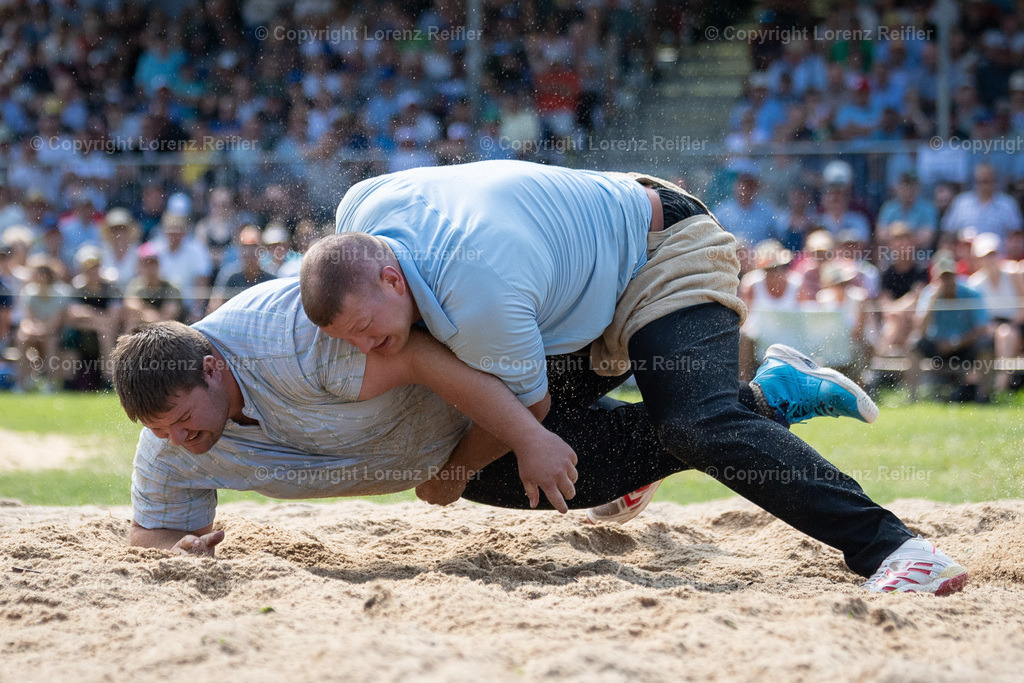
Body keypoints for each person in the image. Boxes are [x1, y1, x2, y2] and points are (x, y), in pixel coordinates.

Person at [301, 160, 967, 594]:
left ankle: (894, 547)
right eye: (349, 339)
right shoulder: (361, 209)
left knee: (692, 422)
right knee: (481, 447)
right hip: (576, 287)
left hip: (664, 249)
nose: (366, 347)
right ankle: (645, 459)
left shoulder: (477, 293)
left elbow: (527, 415)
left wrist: (449, 472)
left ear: (392, 277)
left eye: (366, 328)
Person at [908, 251, 993, 403]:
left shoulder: (971, 293)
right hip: (938, 347)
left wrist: (956, 343)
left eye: (949, 276)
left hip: (966, 346)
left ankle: (984, 396)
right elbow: (920, 329)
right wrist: (932, 304)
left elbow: (982, 329)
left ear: (956, 275)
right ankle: (912, 397)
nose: (946, 281)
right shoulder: (929, 295)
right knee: (914, 344)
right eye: (942, 277)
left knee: (986, 345)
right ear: (936, 278)